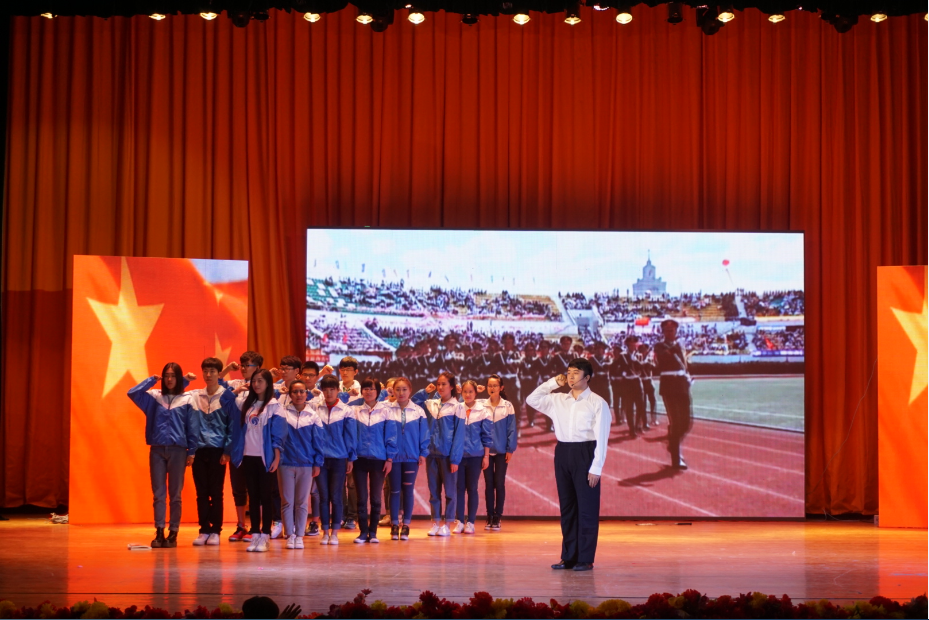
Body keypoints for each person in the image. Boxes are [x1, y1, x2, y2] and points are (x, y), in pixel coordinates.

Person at [527, 358, 611, 572]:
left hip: (586, 452)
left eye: (576, 372)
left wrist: (596, 467)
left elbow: (602, 437)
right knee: (568, 508)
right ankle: (569, 556)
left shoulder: (597, 402)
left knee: (587, 509)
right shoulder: (557, 399)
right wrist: (553, 383)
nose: (571, 376)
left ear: (587, 377)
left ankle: (585, 558)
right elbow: (531, 399)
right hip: (563, 452)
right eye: (569, 372)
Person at [127, 363, 200, 548]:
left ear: (179, 378)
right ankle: (159, 531)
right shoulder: (154, 397)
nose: (169, 379)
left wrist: (192, 452)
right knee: (158, 494)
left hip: (178, 451)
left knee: (175, 495)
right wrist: (151, 380)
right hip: (157, 450)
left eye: (173, 376)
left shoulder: (187, 399)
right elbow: (132, 393)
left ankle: (173, 532)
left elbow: (192, 428)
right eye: (166, 375)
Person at [223, 369, 287, 552]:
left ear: (268, 383)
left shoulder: (274, 406)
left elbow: (279, 434)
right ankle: (255, 534)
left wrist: (276, 456)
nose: (256, 384)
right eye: (254, 381)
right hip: (247, 457)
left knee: (266, 497)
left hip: (265, 458)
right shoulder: (245, 404)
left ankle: (265, 535)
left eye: (260, 381)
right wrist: (236, 390)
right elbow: (224, 402)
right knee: (253, 497)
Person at [187, 357, 233, 546]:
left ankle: (216, 530)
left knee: (216, 492)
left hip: (217, 451)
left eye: (212, 371)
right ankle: (204, 529)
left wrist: (227, 450)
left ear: (219, 373)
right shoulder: (195, 396)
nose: (208, 374)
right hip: (199, 450)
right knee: (201, 492)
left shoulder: (227, 396)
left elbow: (232, 426)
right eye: (205, 371)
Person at [219, 350, 264, 542]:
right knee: (238, 489)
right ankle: (240, 526)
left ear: (258, 368)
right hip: (237, 445)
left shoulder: (264, 387)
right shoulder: (235, 384)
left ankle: (257, 527)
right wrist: (228, 369)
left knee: (257, 490)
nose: (244, 368)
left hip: (257, 447)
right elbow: (218, 386)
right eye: (242, 365)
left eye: (248, 365)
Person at [306, 375, 356, 545]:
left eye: (332, 390)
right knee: (323, 496)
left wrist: (350, 458)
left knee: (336, 496)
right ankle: (325, 532)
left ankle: (334, 533)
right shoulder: (315, 408)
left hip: (339, 459)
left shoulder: (346, 410)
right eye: (325, 390)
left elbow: (350, 436)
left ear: (338, 390)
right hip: (320, 459)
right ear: (322, 391)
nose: (329, 393)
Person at [414, 373, 465, 537]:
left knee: (450, 492)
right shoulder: (431, 404)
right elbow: (413, 403)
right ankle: (436, 523)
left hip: (448, 455)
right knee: (434, 492)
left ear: (452, 386)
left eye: (444, 384)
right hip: (432, 454)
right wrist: (425, 392)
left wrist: (455, 459)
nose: (440, 387)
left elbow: (459, 435)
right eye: (438, 384)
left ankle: (447, 525)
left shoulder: (457, 407)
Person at [350, 377, 397, 543]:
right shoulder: (355, 410)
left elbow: (391, 436)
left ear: (378, 392)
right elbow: (350, 436)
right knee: (361, 498)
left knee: (376, 498)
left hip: (379, 459)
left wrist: (389, 459)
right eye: (365, 388)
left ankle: (373, 533)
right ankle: (363, 532)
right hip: (359, 459)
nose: (368, 392)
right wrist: (351, 456)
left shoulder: (386, 411)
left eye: (372, 389)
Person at [277, 379, 323, 550]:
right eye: (295, 392)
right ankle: (290, 535)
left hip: (306, 464)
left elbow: (318, 442)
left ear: (306, 393)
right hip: (285, 464)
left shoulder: (313, 416)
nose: (298, 395)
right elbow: (277, 438)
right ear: (290, 394)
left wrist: (317, 462)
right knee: (287, 502)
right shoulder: (282, 413)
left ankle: (300, 536)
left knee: (302, 503)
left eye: (302, 391)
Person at [385, 377, 429, 541]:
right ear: (393, 391)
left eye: (404, 389)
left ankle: (406, 525)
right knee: (394, 491)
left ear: (410, 391)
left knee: (408, 491)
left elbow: (424, 434)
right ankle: (394, 524)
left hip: (411, 457)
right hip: (393, 458)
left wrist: (423, 453)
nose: (401, 393)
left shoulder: (418, 411)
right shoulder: (387, 410)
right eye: (397, 389)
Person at [453, 380, 491, 534]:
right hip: (459, 456)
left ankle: (471, 522)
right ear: (461, 393)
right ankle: (459, 521)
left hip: (476, 455)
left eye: (471, 392)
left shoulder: (483, 411)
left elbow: (487, 436)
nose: (468, 395)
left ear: (476, 393)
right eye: (465, 392)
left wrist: (486, 456)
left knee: (472, 488)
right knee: (459, 489)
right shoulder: (457, 409)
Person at [654, 319, 693, 469]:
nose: (670, 332)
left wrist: (688, 376)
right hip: (669, 386)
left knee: (686, 422)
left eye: (672, 330)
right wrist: (674, 349)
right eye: (667, 330)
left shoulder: (680, 346)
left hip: (682, 385)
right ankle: (676, 459)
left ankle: (672, 443)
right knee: (676, 422)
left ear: (676, 331)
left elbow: (684, 364)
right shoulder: (660, 346)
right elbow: (663, 358)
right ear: (663, 332)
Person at [481, 374, 517, 531]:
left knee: (499, 483)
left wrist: (510, 449)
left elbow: (512, 429)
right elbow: (464, 402)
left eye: (495, 385)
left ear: (501, 388)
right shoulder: (481, 405)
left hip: (502, 452)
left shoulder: (507, 406)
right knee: (489, 483)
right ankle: (489, 515)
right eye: (489, 385)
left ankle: (498, 516)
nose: (492, 388)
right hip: (486, 452)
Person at [337, 357, 361, 531]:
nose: (345, 372)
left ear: (355, 372)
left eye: (349, 369)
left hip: (354, 441)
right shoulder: (334, 388)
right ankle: (341, 515)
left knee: (352, 483)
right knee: (338, 482)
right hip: (337, 441)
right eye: (342, 369)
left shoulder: (361, 391)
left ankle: (352, 516)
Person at [301, 361, 322, 536]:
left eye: (311, 375)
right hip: (296, 449)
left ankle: (315, 522)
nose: (308, 378)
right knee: (297, 492)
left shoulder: (321, 396)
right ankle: (295, 523)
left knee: (315, 490)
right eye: (305, 374)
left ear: (317, 377)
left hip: (314, 448)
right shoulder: (294, 393)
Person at [616, 335, 648, 437]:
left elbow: (641, 368)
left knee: (640, 406)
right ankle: (632, 429)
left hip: (637, 381)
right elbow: (618, 367)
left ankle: (637, 425)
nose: (633, 346)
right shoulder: (623, 356)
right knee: (629, 406)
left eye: (635, 344)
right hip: (628, 383)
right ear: (628, 345)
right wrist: (623, 373)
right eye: (631, 345)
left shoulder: (639, 356)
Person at [638, 344, 659, 427]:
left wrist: (650, 363)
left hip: (649, 381)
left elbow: (655, 367)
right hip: (641, 381)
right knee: (642, 402)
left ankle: (654, 418)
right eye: (642, 349)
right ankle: (643, 419)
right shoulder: (638, 358)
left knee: (653, 401)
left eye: (645, 349)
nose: (643, 351)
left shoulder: (650, 358)